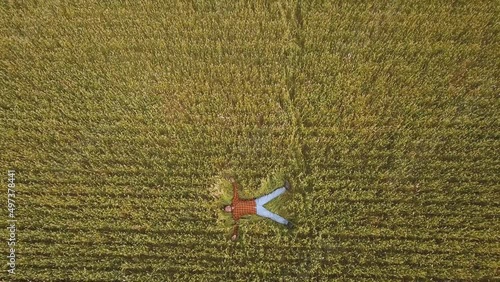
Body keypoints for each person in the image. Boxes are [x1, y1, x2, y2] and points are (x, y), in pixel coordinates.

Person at [222, 178, 294, 241]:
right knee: (270, 215)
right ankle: (287, 223)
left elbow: (235, 192)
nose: (228, 209)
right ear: (228, 212)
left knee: (270, 196)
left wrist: (233, 182)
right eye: (227, 210)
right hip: (257, 211)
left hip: (256, 202)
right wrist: (235, 234)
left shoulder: (234, 201)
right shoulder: (235, 214)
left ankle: (285, 188)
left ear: (228, 205)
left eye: (227, 207)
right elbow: (236, 225)